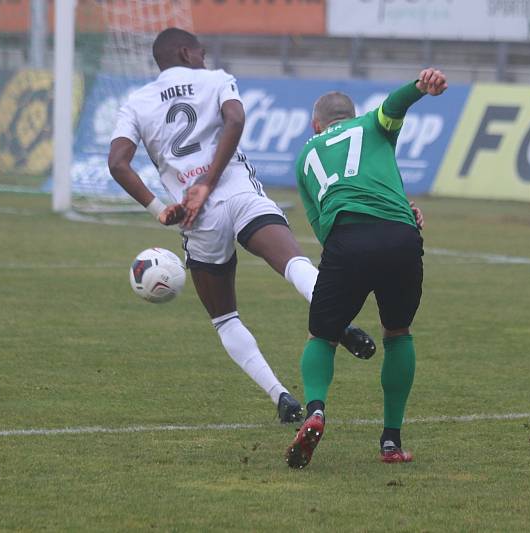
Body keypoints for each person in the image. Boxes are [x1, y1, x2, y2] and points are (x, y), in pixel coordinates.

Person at [107, 28, 375, 424]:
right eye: (200, 51)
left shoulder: (136, 102)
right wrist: (210, 182)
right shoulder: (217, 79)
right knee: (293, 263)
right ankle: (341, 320)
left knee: (225, 317)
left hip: (197, 219)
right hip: (239, 193)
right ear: (186, 51)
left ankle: (281, 397)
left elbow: (117, 163)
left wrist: (159, 209)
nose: (204, 56)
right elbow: (235, 119)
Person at [285, 68, 446, 468]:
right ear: (352, 114)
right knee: (398, 332)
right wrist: (420, 87)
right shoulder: (372, 125)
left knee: (321, 336)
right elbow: (393, 106)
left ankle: (316, 412)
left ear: (315, 124)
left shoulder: (305, 156)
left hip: (347, 241)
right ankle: (391, 442)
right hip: (400, 237)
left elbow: (324, 226)